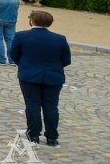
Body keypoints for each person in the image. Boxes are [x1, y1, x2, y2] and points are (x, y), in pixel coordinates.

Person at [10, 10, 71, 146]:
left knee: (32, 104)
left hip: (29, 75)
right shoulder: (59, 38)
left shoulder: (21, 36)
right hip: (53, 76)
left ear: (32, 20)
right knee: (51, 106)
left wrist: (25, 65)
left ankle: (33, 135)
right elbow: (66, 60)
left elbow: (14, 54)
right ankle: (52, 137)